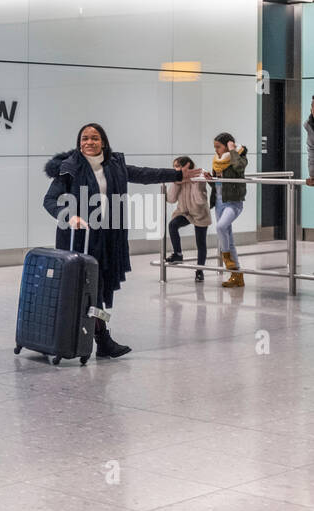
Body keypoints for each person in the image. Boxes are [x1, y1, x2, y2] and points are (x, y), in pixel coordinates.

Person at [44, 123, 200, 357]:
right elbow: (49, 200)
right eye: (84, 138)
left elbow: (144, 174)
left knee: (97, 289)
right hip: (77, 239)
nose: (89, 142)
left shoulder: (114, 164)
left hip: (107, 240)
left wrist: (177, 175)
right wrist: (68, 216)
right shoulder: (70, 168)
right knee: (84, 290)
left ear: (103, 142)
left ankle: (97, 337)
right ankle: (96, 338)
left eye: (94, 138)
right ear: (79, 143)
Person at [209, 133, 248, 288]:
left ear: (228, 145)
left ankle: (226, 259)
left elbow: (239, 167)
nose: (216, 150)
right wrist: (209, 180)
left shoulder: (239, 156)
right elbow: (217, 185)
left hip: (233, 203)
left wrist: (232, 150)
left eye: (219, 146)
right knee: (229, 238)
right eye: (215, 147)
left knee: (221, 227)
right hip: (219, 202)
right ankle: (237, 276)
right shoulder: (217, 162)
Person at [165, 156, 210, 283]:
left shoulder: (199, 177)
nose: (175, 169)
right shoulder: (178, 179)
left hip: (200, 213)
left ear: (187, 166)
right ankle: (178, 254)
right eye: (174, 167)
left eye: (178, 166)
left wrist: (195, 183)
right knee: (173, 225)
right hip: (185, 212)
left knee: (200, 243)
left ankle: (199, 271)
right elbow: (171, 199)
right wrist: (176, 182)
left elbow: (200, 201)